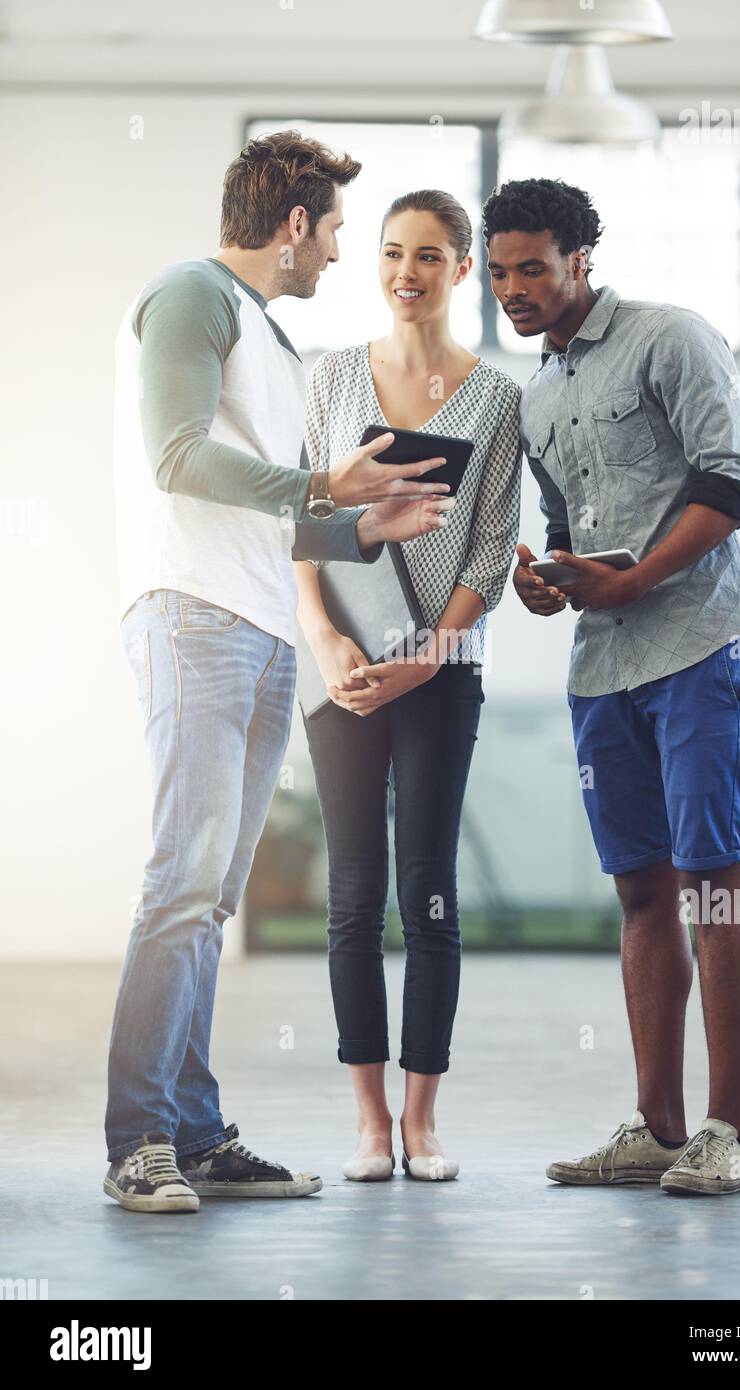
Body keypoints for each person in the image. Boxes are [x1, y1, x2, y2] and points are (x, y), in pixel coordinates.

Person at [105, 131, 455, 1214]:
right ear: (295, 224)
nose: (344, 253)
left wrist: (361, 523)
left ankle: (197, 1134)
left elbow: (275, 515)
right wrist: (323, 482)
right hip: (192, 617)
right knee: (181, 885)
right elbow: (177, 456)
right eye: (341, 229)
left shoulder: (266, 337)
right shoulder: (189, 295)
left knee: (209, 900)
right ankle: (139, 1143)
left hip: (255, 627)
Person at [484, 177, 740, 1195]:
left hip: (705, 642)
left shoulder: (672, 336)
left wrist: (632, 579)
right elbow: (572, 530)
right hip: (606, 665)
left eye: (532, 266)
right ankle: (659, 1128)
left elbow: (727, 481)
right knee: (640, 888)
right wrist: (551, 581)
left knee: (713, 877)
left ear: (580, 257)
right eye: (498, 273)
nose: (514, 288)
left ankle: (726, 1132)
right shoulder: (536, 397)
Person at [294, 189, 522, 1182]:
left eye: (430, 254)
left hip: (438, 669)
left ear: (461, 268)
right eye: (391, 251)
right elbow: (297, 517)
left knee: (427, 889)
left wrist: (433, 649)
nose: (405, 271)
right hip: (342, 667)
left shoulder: (497, 398)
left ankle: (423, 1119)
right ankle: (366, 1122)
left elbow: (491, 542)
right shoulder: (330, 376)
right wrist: (321, 640)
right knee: (352, 897)